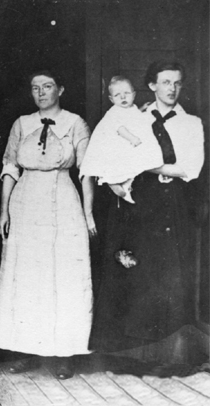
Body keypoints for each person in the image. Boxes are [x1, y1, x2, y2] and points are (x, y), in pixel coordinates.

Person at [89, 61, 205, 365]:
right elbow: (110, 151)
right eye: (165, 82)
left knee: (168, 274)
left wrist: (141, 164)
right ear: (152, 85)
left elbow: (189, 169)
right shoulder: (133, 116)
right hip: (136, 203)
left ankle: (169, 353)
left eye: (177, 83)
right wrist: (116, 178)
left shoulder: (191, 123)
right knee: (135, 272)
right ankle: (133, 354)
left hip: (172, 206)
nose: (172, 88)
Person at [0, 70, 97, 380]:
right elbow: (10, 167)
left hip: (63, 201)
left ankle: (64, 352)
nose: (41, 92)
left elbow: (86, 171)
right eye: (35, 87)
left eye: (47, 86)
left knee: (63, 275)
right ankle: (25, 349)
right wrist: (5, 210)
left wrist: (87, 212)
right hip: (26, 203)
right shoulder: (21, 124)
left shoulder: (75, 123)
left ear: (61, 88)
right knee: (26, 274)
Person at [80, 76, 163, 205]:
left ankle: (126, 185)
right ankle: (112, 181)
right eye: (117, 95)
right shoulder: (114, 112)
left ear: (134, 95)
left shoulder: (132, 108)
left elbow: (132, 117)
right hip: (117, 140)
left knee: (133, 162)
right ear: (111, 99)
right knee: (118, 160)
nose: (123, 98)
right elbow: (120, 128)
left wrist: (141, 109)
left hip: (125, 141)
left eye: (127, 93)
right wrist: (132, 138)